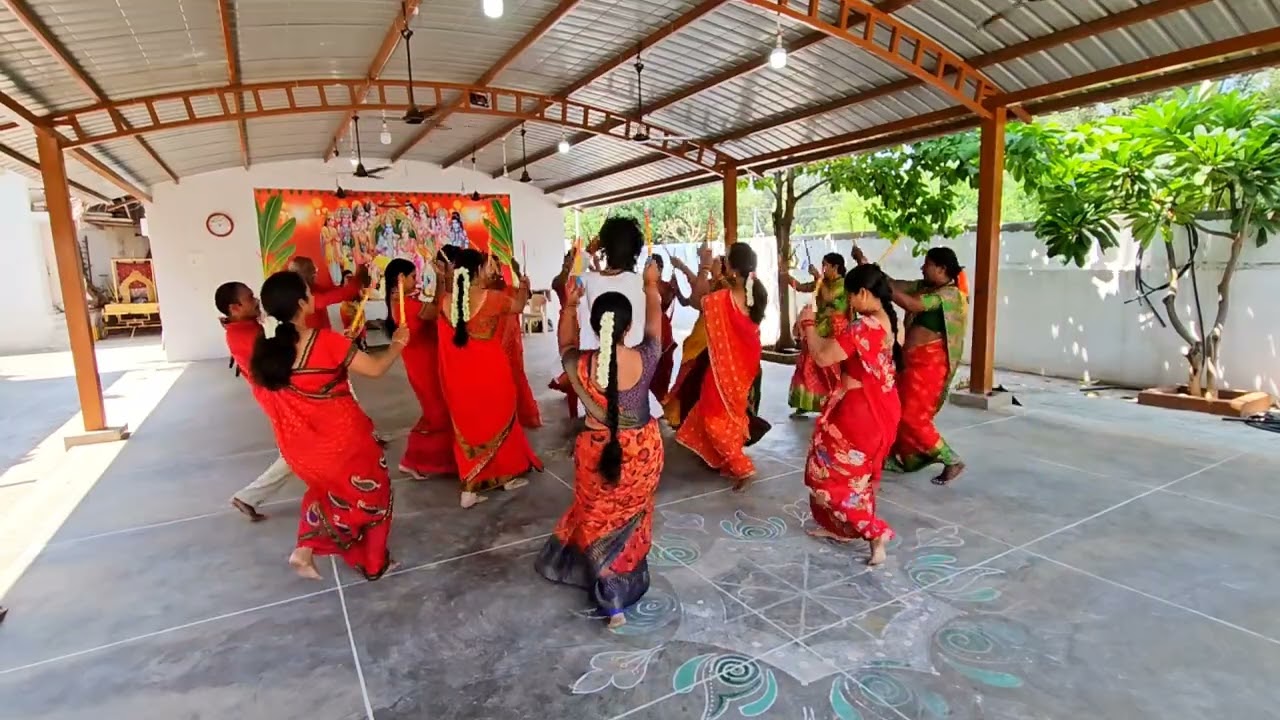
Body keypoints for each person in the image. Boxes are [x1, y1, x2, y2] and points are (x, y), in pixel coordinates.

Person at [250, 270, 407, 580]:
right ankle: (371, 563)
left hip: (301, 449)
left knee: (325, 492)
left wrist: (341, 349)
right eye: (309, 293)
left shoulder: (267, 351)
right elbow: (375, 368)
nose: (313, 297)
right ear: (301, 302)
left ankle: (307, 545)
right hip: (345, 444)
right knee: (373, 500)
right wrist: (398, 343)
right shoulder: (325, 340)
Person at [535, 269, 665, 628]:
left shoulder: (580, 365)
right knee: (632, 517)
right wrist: (651, 285)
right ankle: (621, 583)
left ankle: (610, 595)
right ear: (627, 328)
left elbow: (564, 345)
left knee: (595, 517)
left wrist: (570, 305)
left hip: (595, 450)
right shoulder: (647, 356)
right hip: (641, 451)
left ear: (595, 326)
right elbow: (655, 325)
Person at [797, 264, 903, 565]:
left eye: (852, 296)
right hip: (878, 409)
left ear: (864, 294)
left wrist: (807, 326)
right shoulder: (888, 322)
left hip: (858, 412)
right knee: (856, 479)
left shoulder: (864, 327)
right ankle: (846, 529)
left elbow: (822, 356)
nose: (850, 303)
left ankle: (873, 532)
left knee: (826, 479)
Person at [437, 248, 543, 508]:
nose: (489, 270)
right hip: (491, 373)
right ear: (478, 271)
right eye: (486, 266)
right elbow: (519, 306)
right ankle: (507, 477)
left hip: (459, 378)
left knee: (469, 430)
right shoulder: (492, 299)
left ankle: (469, 489)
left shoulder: (444, 300)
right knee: (502, 422)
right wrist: (524, 285)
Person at [857, 245, 969, 485]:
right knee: (896, 410)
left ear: (941, 269)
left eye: (927, 264)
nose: (922, 267)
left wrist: (880, 284)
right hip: (913, 364)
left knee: (913, 418)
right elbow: (894, 284)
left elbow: (912, 304)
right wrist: (864, 264)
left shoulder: (950, 296)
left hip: (931, 368)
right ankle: (901, 458)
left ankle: (951, 459)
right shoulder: (924, 286)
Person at [671, 243, 769, 489]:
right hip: (745, 365)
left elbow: (696, 300)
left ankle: (741, 466)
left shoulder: (723, 299)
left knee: (714, 416)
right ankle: (727, 459)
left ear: (732, 268)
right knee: (728, 413)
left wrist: (704, 267)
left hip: (726, 367)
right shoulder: (755, 293)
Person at [216, 281, 294, 522]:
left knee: (296, 449)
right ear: (235, 308)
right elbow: (276, 363)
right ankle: (249, 496)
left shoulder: (247, 327)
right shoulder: (244, 335)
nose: (256, 301)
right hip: (276, 396)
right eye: (250, 298)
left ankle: (249, 497)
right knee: (295, 451)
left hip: (277, 393)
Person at [383, 258, 456, 479]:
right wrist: (444, 278)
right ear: (401, 278)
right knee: (438, 413)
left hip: (424, 360)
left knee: (437, 411)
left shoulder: (402, 301)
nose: (416, 280)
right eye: (413, 276)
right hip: (423, 365)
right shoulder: (408, 305)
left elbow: (435, 307)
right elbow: (439, 310)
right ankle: (415, 459)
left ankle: (429, 459)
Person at [784, 253, 849, 416]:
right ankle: (805, 402)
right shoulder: (821, 282)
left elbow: (828, 297)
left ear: (836, 267)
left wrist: (817, 277)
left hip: (835, 331)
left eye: (826, 265)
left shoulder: (844, 284)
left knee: (831, 367)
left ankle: (835, 401)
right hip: (819, 329)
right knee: (807, 363)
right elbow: (799, 287)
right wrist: (784, 275)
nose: (823, 269)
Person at [578, 217, 647, 350]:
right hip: (635, 362)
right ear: (636, 249)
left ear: (604, 248)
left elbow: (570, 279)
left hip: (595, 363)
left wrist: (588, 251)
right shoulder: (644, 283)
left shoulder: (586, 280)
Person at [490, 258, 542, 429]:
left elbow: (526, 297)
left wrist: (520, 275)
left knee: (517, 378)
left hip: (512, 345)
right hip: (492, 347)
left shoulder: (509, 291)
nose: (495, 271)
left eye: (497, 267)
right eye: (490, 267)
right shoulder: (483, 296)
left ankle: (523, 416)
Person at [549, 248, 581, 420]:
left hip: (582, 324)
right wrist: (566, 269)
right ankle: (573, 409)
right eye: (569, 259)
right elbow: (555, 284)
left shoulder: (582, 278)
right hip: (567, 323)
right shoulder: (562, 279)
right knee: (568, 361)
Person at [646, 254, 680, 404]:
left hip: (664, 331)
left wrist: (675, 289)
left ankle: (659, 402)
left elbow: (680, 301)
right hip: (647, 330)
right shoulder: (640, 285)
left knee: (662, 371)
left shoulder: (666, 286)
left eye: (658, 267)